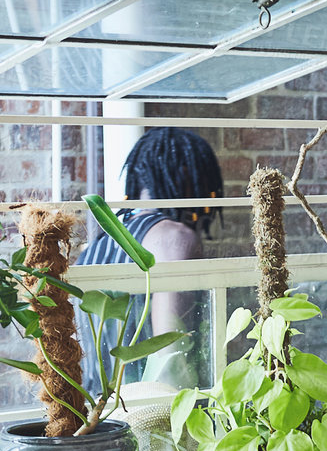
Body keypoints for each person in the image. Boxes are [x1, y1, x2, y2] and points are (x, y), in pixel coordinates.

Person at [73, 127, 222, 395]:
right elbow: (170, 355)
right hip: (147, 413)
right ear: (190, 178)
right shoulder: (175, 239)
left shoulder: (98, 246)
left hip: (97, 413)